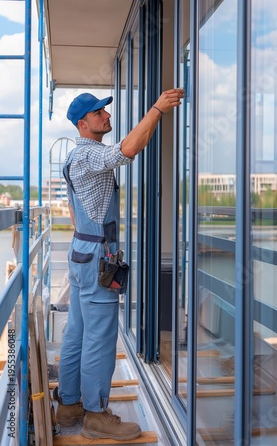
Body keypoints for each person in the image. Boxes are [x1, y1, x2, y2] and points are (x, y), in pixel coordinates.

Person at [54, 88, 184, 441]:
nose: (107, 116)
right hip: (97, 257)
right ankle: (96, 415)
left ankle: (68, 405)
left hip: (84, 251)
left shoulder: (75, 157)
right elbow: (128, 149)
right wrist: (157, 109)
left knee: (78, 333)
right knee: (100, 337)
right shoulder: (87, 155)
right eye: (99, 114)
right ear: (83, 124)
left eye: (105, 112)